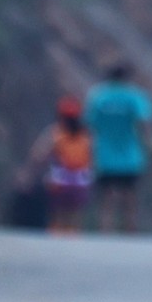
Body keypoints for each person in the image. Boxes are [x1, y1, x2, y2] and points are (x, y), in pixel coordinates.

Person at [82, 61, 152, 234]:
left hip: (104, 155)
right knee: (129, 196)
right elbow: (145, 122)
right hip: (130, 156)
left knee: (106, 196)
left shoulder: (98, 96)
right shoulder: (135, 96)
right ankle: (130, 230)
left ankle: (105, 230)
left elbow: (89, 124)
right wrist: (146, 141)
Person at [21, 98, 94, 237]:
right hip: (80, 183)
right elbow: (92, 156)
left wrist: (30, 174)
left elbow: (39, 155)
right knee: (74, 217)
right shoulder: (86, 135)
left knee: (57, 216)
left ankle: (57, 241)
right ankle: (73, 238)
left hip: (60, 182)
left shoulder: (55, 133)